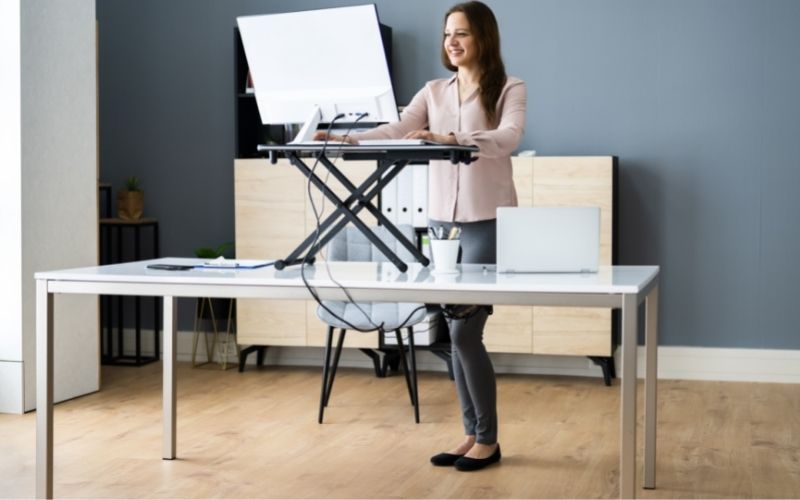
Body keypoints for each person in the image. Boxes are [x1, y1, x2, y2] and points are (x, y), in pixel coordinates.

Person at [315, 0, 525, 472]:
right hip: (439, 222)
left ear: (483, 38)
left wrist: (453, 141)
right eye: (448, 33)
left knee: (466, 331)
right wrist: (346, 139)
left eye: (463, 33)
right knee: (449, 333)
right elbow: (399, 127)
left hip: (485, 219)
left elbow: (509, 136)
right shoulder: (433, 90)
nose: (452, 41)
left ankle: (488, 439)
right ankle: (471, 434)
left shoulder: (509, 88)